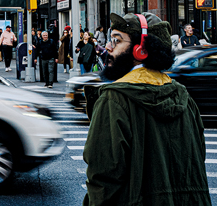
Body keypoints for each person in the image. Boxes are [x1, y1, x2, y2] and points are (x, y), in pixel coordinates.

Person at [82, 12, 210, 205]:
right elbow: (198, 157)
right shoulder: (183, 96)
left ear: (140, 50)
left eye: (116, 41)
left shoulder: (114, 99)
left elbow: (103, 177)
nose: (108, 47)